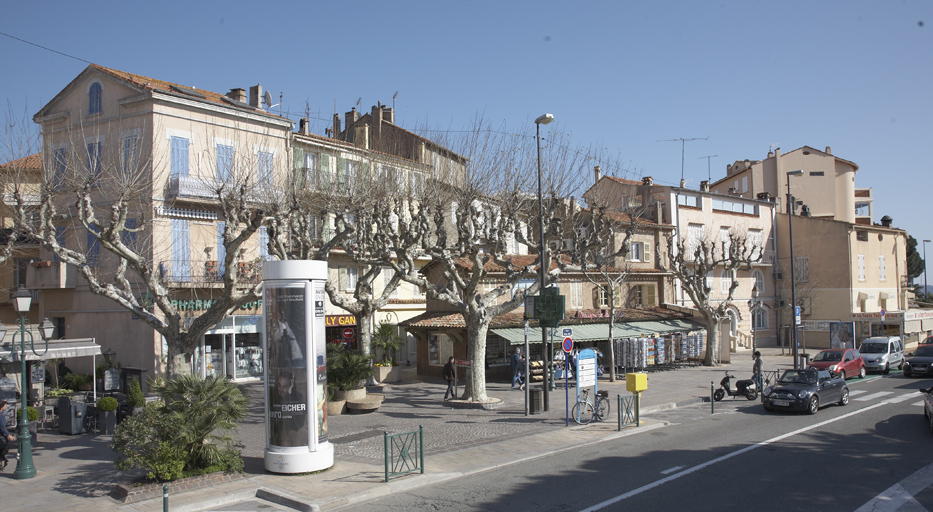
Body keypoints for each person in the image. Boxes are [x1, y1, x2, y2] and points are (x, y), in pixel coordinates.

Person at [0, 400, 13, 471]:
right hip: (1, 434)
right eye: (5, 405)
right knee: (5, 446)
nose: (6, 407)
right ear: (1, 406)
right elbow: (2, 426)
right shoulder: (0, 415)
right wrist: (8, 435)